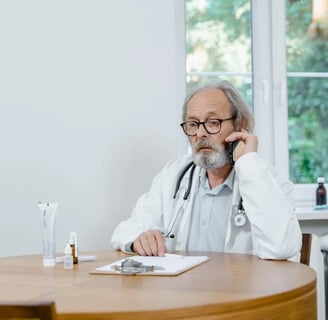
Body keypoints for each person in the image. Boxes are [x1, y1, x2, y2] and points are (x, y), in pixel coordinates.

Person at [110, 80, 302, 261]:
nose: (200, 134)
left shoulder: (267, 181)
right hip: (185, 293)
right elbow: (125, 231)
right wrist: (139, 240)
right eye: (193, 124)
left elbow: (281, 247)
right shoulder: (173, 175)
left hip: (242, 293)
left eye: (212, 123)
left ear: (240, 125)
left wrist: (249, 161)